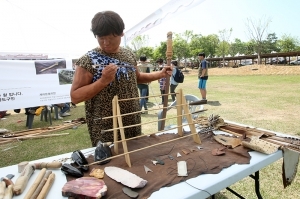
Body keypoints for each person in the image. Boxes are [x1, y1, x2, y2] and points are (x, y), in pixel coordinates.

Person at [70, 11, 172, 147]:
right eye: (101, 38)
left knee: (135, 157)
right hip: (106, 127)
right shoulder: (88, 60)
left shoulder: (128, 54)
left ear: (121, 33)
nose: (105, 43)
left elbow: (137, 77)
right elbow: (75, 97)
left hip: (132, 120)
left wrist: (160, 74)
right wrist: (102, 81)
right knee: (111, 163)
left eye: (111, 38)